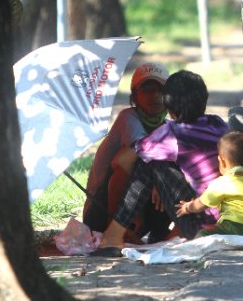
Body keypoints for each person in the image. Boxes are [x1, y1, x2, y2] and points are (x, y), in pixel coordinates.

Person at [93, 70, 229, 256]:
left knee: (148, 163)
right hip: (231, 216)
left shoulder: (171, 133)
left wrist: (158, 177)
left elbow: (122, 161)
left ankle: (113, 234)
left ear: (168, 106)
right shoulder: (218, 123)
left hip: (202, 222)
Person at [82, 62, 170, 241]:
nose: (155, 96)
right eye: (146, 90)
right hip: (102, 209)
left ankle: (159, 230)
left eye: (160, 90)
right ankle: (114, 230)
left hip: (141, 208)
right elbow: (133, 158)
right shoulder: (128, 117)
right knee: (131, 160)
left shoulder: (168, 126)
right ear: (135, 97)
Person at [176, 131, 243, 239]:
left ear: (222, 161)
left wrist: (187, 207)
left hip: (233, 228)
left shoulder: (223, 182)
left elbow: (201, 204)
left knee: (203, 234)